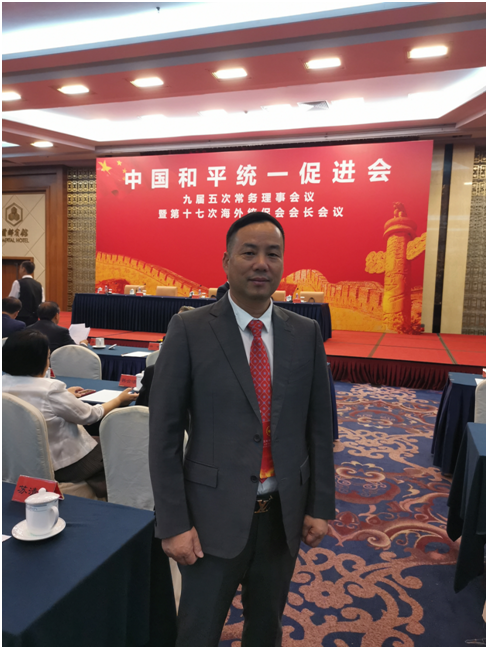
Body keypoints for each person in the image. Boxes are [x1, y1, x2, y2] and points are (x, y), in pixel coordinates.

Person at [149, 211, 335, 646]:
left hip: (282, 517)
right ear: (226, 261)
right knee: (197, 630)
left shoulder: (305, 333)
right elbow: (164, 435)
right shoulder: (190, 329)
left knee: (266, 627)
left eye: (273, 254)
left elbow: (319, 428)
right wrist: (173, 523)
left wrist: (319, 505)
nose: (261, 264)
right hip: (209, 518)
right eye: (249, 252)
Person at [2, 329, 135, 497]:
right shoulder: (50, 390)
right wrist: (119, 400)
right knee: (116, 445)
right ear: (38, 360)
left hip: (14, 460)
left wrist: (65, 396)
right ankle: (110, 494)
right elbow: (90, 416)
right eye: (48, 357)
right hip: (61, 465)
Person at [9, 260, 44, 326]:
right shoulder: (39, 285)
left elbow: (11, 300)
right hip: (34, 318)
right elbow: (42, 302)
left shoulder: (18, 283)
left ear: (23, 269)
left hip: (20, 318)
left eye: (20, 268)